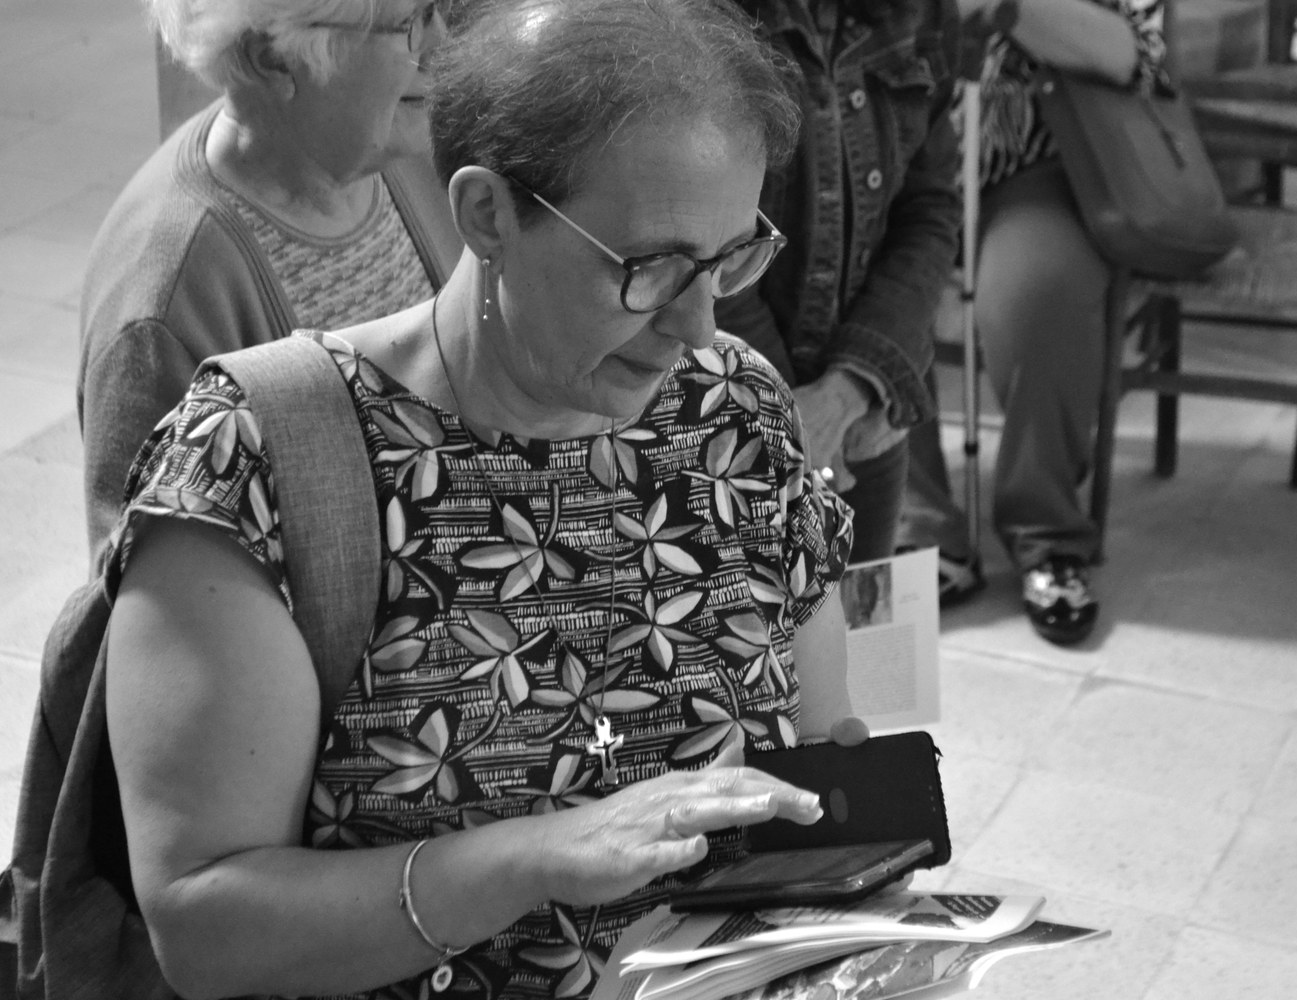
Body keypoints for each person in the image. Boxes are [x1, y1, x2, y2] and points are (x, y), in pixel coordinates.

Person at [101, 0, 861, 996]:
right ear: (487, 216)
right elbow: (203, 924)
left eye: (728, 260)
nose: (696, 327)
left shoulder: (735, 413)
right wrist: (535, 857)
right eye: (651, 269)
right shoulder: (257, 459)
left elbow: (820, 755)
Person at [77, 0, 463, 570]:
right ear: (272, 58)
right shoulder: (165, 302)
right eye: (409, 24)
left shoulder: (405, 148)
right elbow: (160, 592)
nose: (441, 43)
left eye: (436, 7)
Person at [898, 0, 1166, 644]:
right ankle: (915, 527)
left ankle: (1046, 534)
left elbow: (1133, 55)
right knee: (869, 284)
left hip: (1043, 165)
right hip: (898, 157)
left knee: (1043, 293)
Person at [715, 0, 963, 564]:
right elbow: (691, 244)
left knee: (856, 611)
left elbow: (929, 211)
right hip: (714, 409)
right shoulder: (696, 14)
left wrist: (848, 389)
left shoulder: (922, 12)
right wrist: (785, 408)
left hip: (864, 411)